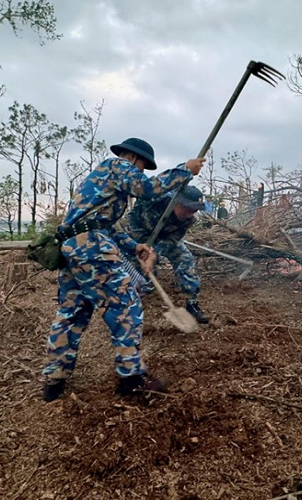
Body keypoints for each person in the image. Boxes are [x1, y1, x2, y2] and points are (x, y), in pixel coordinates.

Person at [43, 137, 204, 402]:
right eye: (141, 166)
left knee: (72, 312)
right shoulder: (117, 166)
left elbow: (102, 225)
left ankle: (54, 381)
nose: (139, 171)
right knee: (126, 305)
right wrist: (185, 169)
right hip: (91, 246)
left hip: (72, 247)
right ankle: (132, 379)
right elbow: (149, 188)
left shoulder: (99, 186)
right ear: (132, 157)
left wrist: (134, 246)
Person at [125, 185, 210, 324]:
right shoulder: (153, 200)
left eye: (195, 210)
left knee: (185, 259)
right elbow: (134, 220)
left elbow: (172, 239)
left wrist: (155, 254)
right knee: (142, 276)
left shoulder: (189, 219)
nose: (192, 213)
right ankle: (130, 307)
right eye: (189, 208)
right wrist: (142, 249)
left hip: (165, 238)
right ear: (177, 202)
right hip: (139, 233)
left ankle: (192, 304)